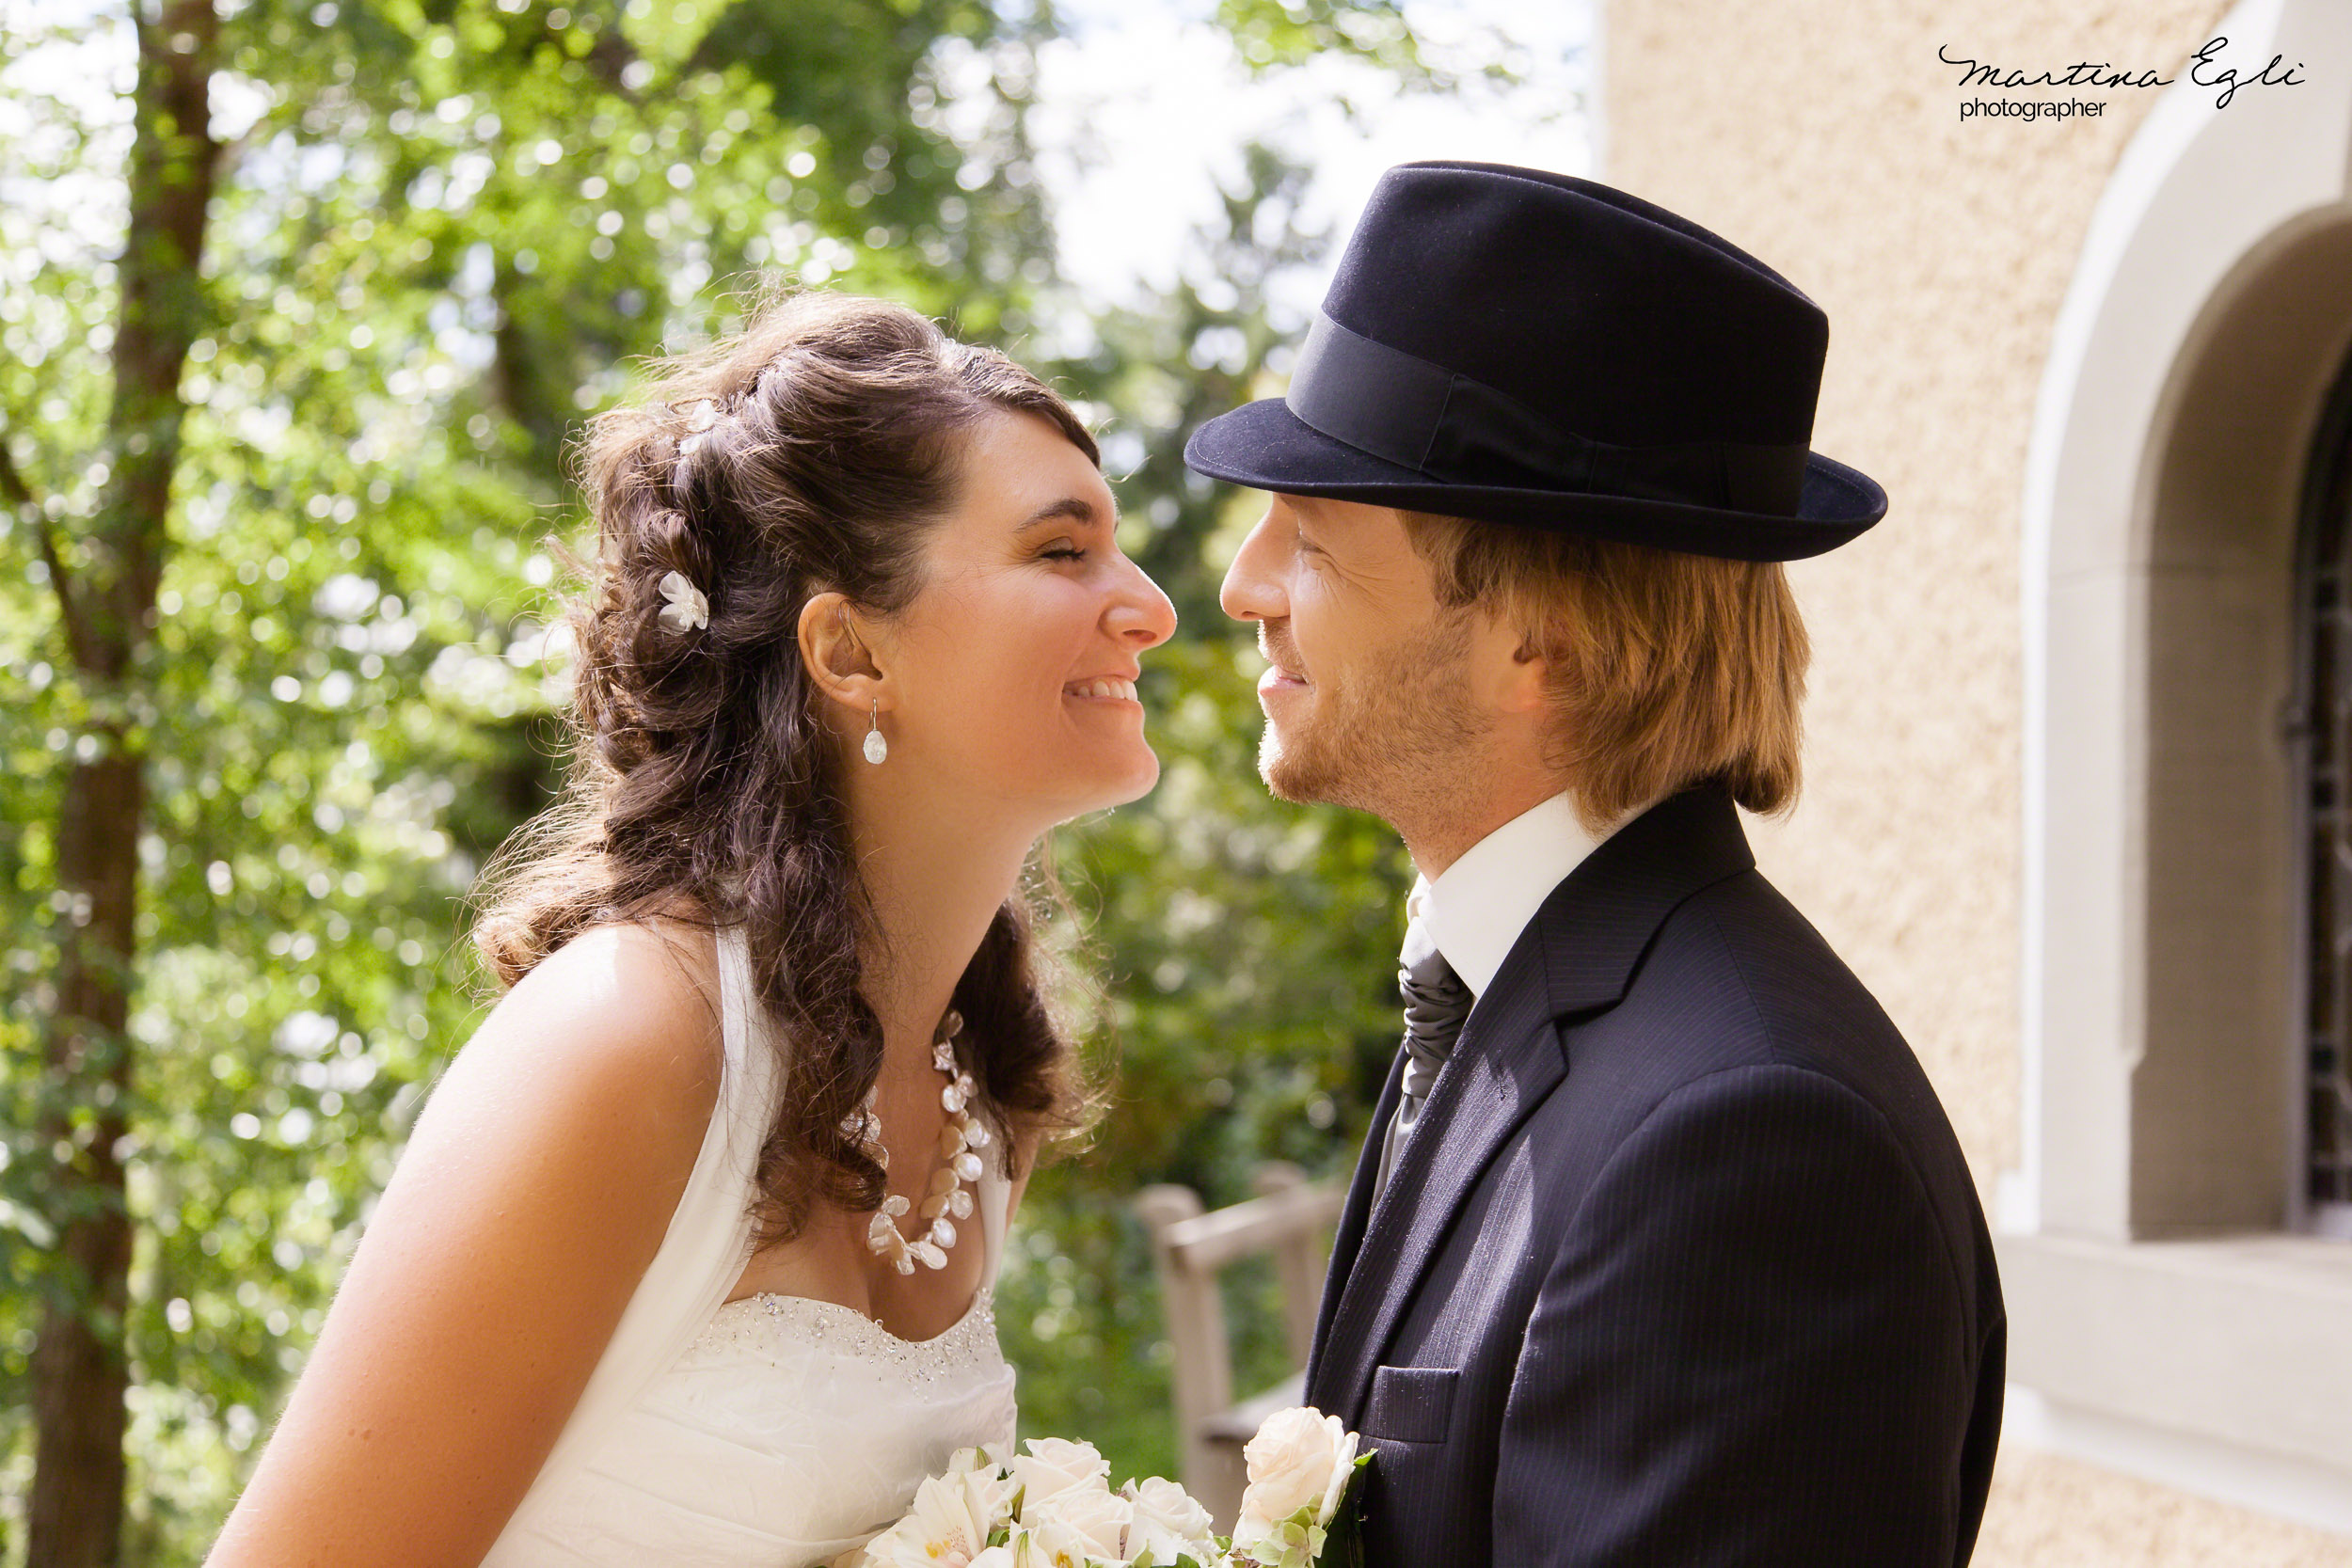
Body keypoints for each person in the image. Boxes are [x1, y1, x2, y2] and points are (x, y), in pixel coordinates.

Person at [204, 291, 1177, 1568]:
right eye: (1063, 551)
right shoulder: (630, 1038)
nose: (1151, 606)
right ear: (850, 651)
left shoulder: (979, 1088)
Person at [1186, 162, 2005, 1565]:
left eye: (1312, 541)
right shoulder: (1511, 997)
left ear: (1537, 639)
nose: (1242, 586)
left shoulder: (1750, 1146)